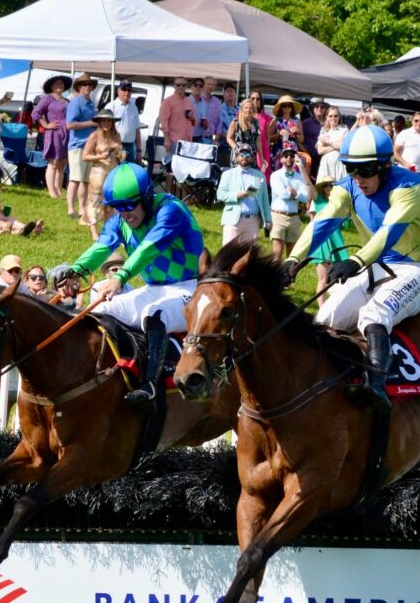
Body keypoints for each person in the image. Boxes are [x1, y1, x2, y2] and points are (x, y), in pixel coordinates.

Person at [283, 124, 420, 412]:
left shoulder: (411, 187)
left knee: (373, 315)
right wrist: (294, 260)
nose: (358, 179)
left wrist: (355, 261)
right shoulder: (348, 187)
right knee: (324, 318)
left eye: (365, 171)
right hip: (373, 269)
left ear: (385, 167)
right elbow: (323, 222)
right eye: (352, 170)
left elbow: (388, 232)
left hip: (409, 270)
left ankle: (376, 385)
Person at [69, 162, 204, 408]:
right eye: (117, 207)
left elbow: (149, 249)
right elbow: (102, 247)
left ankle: (151, 384)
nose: (124, 213)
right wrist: (75, 271)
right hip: (155, 289)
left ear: (147, 197)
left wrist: (120, 278)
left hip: (189, 289)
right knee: (101, 301)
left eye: (129, 205)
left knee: (155, 314)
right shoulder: (121, 221)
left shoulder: (170, 210)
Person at [216, 142, 271, 246]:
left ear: (253, 158)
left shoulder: (260, 176)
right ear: (236, 157)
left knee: (249, 256)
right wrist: (236, 196)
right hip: (233, 220)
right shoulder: (227, 174)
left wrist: (268, 220)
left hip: (253, 221)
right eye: (241, 155)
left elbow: (265, 201)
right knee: (228, 254)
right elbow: (220, 194)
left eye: (247, 155)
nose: (244, 157)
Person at [307, 175, 349, 305]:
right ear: (323, 188)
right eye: (326, 185)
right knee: (323, 278)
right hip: (322, 242)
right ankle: (322, 310)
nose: (329, 187)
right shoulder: (319, 200)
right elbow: (308, 185)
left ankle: (334, 307)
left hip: (336, 241)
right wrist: (301, 168)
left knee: (337, 278)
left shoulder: (339, 202)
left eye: (332, 184)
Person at [82, 110, 123, 240]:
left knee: (111, 203)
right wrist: (100, 156)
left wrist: (120, 154)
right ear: (99, 122)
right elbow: (85, 156)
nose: (107, 123)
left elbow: (120, 154)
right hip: (98, 172)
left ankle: (108, 231)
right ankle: (94, 233)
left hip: (113, 172)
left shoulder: (116, 135)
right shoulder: (94, 136)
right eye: (104, 120)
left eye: (109, 120)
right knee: (94, 202)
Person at [32, 73, 71, 200]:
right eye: (56, 83)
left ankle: (58, 190)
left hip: (67, 133)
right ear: (52, 86)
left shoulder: (67, 101)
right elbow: (36, 113)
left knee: (62, 163)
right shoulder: (48, 98)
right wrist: (46, 124)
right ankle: (51, 191)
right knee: (53, 162)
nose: (59, 85)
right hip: (54, 133)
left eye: (61, 83)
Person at [0, 155, 39, 236]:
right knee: (0, 221)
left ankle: (28, 228)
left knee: (9, 218)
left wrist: (2, 212)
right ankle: (21, 230)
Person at [66, 72, 98, 223]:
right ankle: (71, 209)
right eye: (84, 84)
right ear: (79, 87)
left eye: (89, 84)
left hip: (89, 146)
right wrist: (91, 123)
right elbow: (70, 124)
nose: (87, 87)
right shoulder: (75, 102)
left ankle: (82, 208)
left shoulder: (90, 103)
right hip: (77, 145)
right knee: (75, 179)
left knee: (85, 180)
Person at [270, 143, 310, 262]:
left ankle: (287, 280)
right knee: (277, 252)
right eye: (286, 156)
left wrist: (294, 192)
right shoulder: (275, 175)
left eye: (292, 156)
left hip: (294, 217)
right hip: (278, 216)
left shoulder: (300, 177)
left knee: (292, 255)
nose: (289, 158)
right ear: (281, 159)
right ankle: (273, 279)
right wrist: (296, 194)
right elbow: (282, 194)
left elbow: (305, 197)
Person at [159, 76, 195, 192]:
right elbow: (164, 121)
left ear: (186, 87)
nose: (181, 87)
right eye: (178, 85)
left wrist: (193, 118)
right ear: (174, 86)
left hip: (187, 141)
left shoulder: (188, 101)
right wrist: (167, 139)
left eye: (183, 85)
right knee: (170, 168)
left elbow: (193, 122)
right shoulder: (168, 101)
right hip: (174, 140)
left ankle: (182, 195)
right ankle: (169, 193)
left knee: (184, 169)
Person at [393, 111, 420, 182]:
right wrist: (406, 164)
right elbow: (395, 152)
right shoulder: (404, 133)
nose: (419, 123)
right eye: (416, 121)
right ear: (412, 121)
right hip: (404, 172)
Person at [109, 80, 142, 162]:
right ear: (118, 91)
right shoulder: (111, 106)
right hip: (116, 145)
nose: (127, 92)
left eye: (129, 90)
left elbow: (137, 129)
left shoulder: (134, 107)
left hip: (131, 146)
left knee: (128, 173)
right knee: (117, 172)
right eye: (124, 89)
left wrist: (139, 150)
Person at [226, 99, 263, 169]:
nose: (248, 110)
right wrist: (236, 148)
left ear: (253, 110)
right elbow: (229, 138)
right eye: (246, 108)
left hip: (251, 155)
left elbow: (258, 140)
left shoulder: (256, 123)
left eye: (250, 108)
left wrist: (261, 157)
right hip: (239, 155)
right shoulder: (236, 122)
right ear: (242, 109)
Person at [270, 95, 305, 170]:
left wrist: (298, 132)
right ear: (281, 108)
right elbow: (269, 138)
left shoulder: (297, 121)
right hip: (279, 149)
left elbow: (302, 140)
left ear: (292, 107)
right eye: (284, 106)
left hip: (293, 150)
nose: (287, 107)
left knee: (293, 172)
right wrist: (278, 134)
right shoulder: (275, 120)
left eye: (289, 105)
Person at [316, 107, 348, 181]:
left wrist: (328, 143)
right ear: (327, 117)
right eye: (330, 116)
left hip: (339, 164)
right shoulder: (323, 131)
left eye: (335, 116)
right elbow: (320, 151)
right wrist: (336, 145)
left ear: (339, 117)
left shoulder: (344, 130)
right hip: (326, 164)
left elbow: (343, 146)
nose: (333, 118)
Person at [249, 91, 275, 183]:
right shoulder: (243, 115)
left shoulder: (266, 117)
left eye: (258, 99)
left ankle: (261, 196)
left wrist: (266, 153)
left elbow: (268, 137)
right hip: (249, 149)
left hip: (263, 151)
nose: (255, 101)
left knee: (261, 178)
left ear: (261, 102)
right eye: (252, 98)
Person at [302, 97, 328, 176]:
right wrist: (306, 153)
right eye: (317, 107)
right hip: (309, 159)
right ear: (313, 109)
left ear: (325, 109)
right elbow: (299, 140)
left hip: (324, 158)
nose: (319, 108)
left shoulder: (329, 123)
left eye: (322, 107)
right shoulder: (306, 123)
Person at [199, 76, 223, 144]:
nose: (210, 86)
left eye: (212, 85)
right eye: (208, 84)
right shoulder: (197, 99)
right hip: (197, 138)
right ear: (203, 85)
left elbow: (219, 123)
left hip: (210, 139)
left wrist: (215, 140)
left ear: (215, 87)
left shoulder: (217, 102)